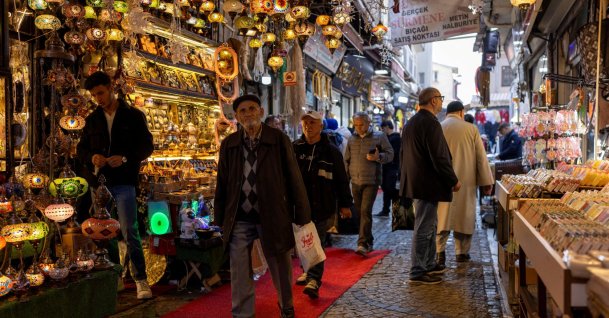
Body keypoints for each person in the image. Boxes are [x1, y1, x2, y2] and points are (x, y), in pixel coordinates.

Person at [214, 94, 310, 318]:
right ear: (236, 117)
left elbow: (294, 177)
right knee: (239, 268)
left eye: (252, 109)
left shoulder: (278, 139)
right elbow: (223, 183)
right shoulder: (230, 144)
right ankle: (242, 313)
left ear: (261, 111)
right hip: (240, 215)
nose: (248, 114)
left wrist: (302, 213)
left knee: (279, 263)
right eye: (243, 111)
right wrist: (219, 218)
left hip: (272, 213)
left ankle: (286, 306)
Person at [77, 71, 154, 299]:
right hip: (99, 183)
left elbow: (147, 147)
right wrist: (92, 157)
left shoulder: (133, 116)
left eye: (100, 92)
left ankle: (141, 280)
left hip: (123, 181)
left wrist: (126, 158)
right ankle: (115, 275)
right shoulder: (92, 119)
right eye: (94, 95)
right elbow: (81, 149)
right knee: (103, 231)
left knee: (130, 230)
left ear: (111, 88)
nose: (98, 98)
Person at [400, 87, 461, 285]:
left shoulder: (412, 121)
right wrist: (452, 179)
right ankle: (418, 270)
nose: (442, 102)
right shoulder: (429, 122)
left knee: (430, 223)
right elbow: (439, 156)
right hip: (426, 182)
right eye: (440, 98)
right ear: (433, 100)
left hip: (417, 181)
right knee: (424, 226)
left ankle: (428, 263)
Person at [292, 110, 353, 299]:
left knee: (315, 241)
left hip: (322, 204)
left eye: (312, 123)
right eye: (306, 123)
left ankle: (314, 279)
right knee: (303, 239)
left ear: (321, 126)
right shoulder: (295, 147)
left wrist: (345, 204)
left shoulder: (330, 150)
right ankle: (307, 270)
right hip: (298, 205)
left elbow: (342, 179)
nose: (309, 126)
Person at [437, 101, 494, 265]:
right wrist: (486, 182)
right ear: (461, 112)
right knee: (464, 216)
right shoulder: (471, 129)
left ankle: (439, 252)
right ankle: (461, 252)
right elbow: (481, 159)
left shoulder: (439, 128)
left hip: (442, 181)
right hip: (466, 181)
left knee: (442, 217)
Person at [345, 112, 393, 256]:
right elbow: (347, 160)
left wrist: (379, 157)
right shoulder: (352, 139)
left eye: (362, 125)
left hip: (371, 181)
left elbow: (390, 154)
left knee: (365, 211)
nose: (359, 128)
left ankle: (362, 243)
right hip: (355, 181)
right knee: (359, 213)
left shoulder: (379, 136)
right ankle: (369, 240)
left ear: (368, 122)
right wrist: (345, 179)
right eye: (356, 125)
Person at [377, 120, 401, 217]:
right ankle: (386, 209)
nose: (382, 130)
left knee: (391, 189)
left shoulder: (395, 138)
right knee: (386, 188)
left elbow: (393, 153)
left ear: (387, 127)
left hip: (393, 167)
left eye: (383, 128)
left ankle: (396, 211)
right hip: (386, 167)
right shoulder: (387, 138)